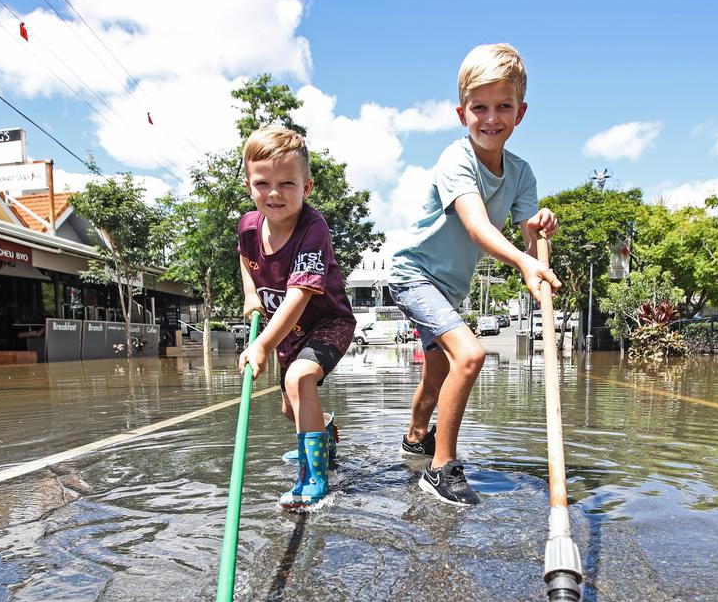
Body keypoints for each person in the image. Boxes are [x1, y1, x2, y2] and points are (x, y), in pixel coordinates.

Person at [388, 43, 560, 506]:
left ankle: (415, 439)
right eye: (479, 108)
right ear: (461, 112)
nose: (491, 118)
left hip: (449, 287)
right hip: (413, 273)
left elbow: (526, 243)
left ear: (520, 113)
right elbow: (477, 225)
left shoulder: (522, 174)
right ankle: (442, 468)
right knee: (470, 354)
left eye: (503, 107)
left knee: (438, 371)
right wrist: (524, 261)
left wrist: (537, 232)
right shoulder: (456, 159)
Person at [237, 127, 355, 507]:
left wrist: (262, 344)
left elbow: (299, 293)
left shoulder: (313, 228)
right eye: (263, 183)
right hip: (289, 332)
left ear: (307, 187)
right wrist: (252, 294)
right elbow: (244, 257)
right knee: (291, 405)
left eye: (287, 183)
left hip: (327, 322)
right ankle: (326, 433)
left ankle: (312, 476)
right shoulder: (248, 226)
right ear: (248, 184)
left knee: (299, 376)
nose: (274, 193)